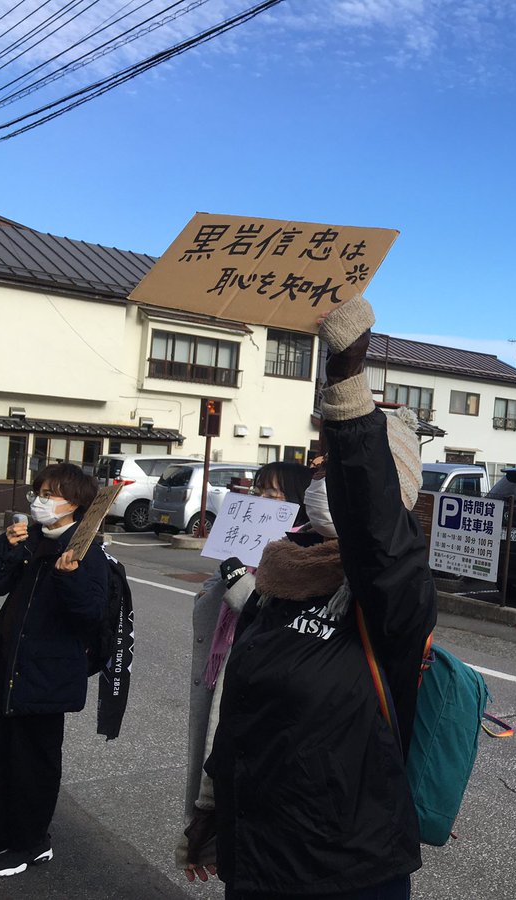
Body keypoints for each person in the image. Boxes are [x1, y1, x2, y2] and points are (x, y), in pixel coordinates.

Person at [200, 296, 437, 899]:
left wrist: (347, 387)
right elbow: (242, 709)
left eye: (340, 468)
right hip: (255, 855)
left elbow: (375, 529)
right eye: (321, 464)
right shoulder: (280, 575)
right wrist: (211, 806)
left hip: (347, 869)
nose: (322, 474)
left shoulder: (393, 593)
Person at [178, 459, 331, 882]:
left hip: (260, 680)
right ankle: (216, 837)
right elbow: (211, 603)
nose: (262, 501)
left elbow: (272, 616)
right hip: (227, 664)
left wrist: (239, 585)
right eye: (259, 491)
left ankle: (223, 838)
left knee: (240, 761)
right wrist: (228, 575)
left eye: (274, 494)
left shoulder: (304, 554)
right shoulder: (245, 547)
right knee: (220, 758)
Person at [0, 462, 109, 878]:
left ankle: (32, 843)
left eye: (50, 494)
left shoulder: (88, 550)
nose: (41, 501)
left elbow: (91, 613)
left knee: (33, 765)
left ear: (75, 502)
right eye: (38, 493)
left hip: (47, 678)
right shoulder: (30, 540)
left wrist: (70, 577)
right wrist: (4, 546)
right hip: (8, 668)